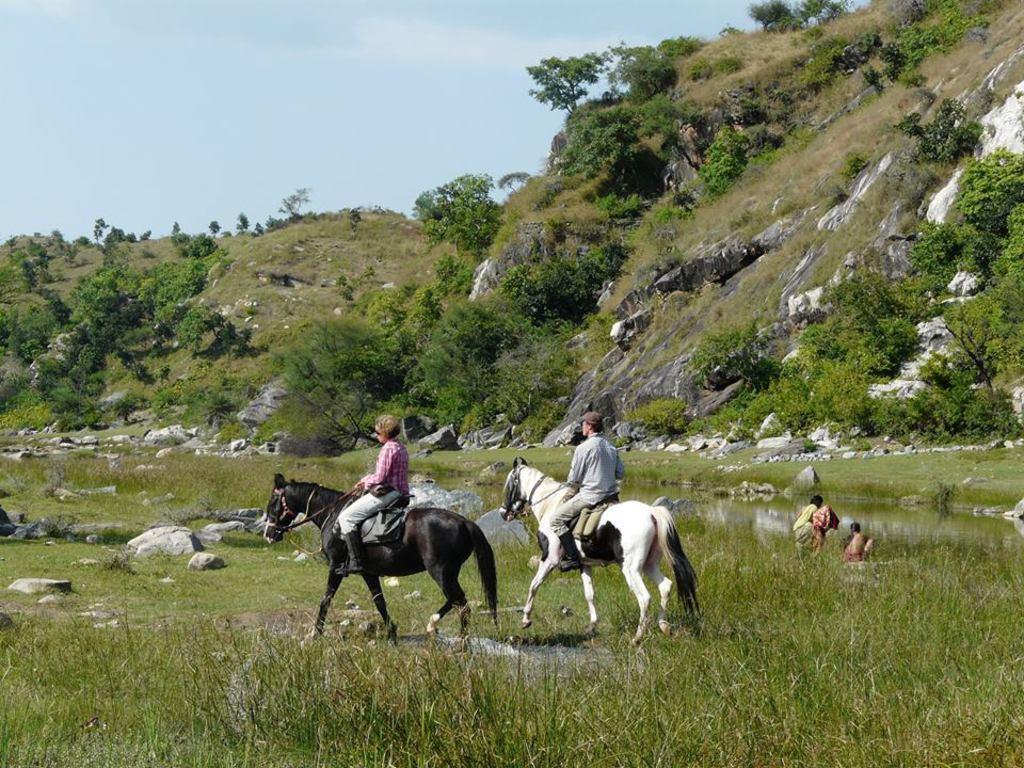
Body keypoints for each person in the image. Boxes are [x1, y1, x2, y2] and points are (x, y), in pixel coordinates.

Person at [547, 411, 624, 572]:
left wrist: (570, 484)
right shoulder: (611, 447)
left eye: (584, 424)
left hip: (590, 496)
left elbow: (574, 478)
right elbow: (620, 473)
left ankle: (573, 558)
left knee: (555, 520)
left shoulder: (583, 448)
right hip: (611, 496)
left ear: (589, 426)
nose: (582, 426)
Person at [335, 414, 409, 575]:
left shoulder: (388, 449)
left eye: (377, 432)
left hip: (388, 493)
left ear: (385, 432)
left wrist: (365, 480)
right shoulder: (401, 447)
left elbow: (380, 477)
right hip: (401, 493)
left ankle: (356, 562)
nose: (376, 435)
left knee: (346, 517)